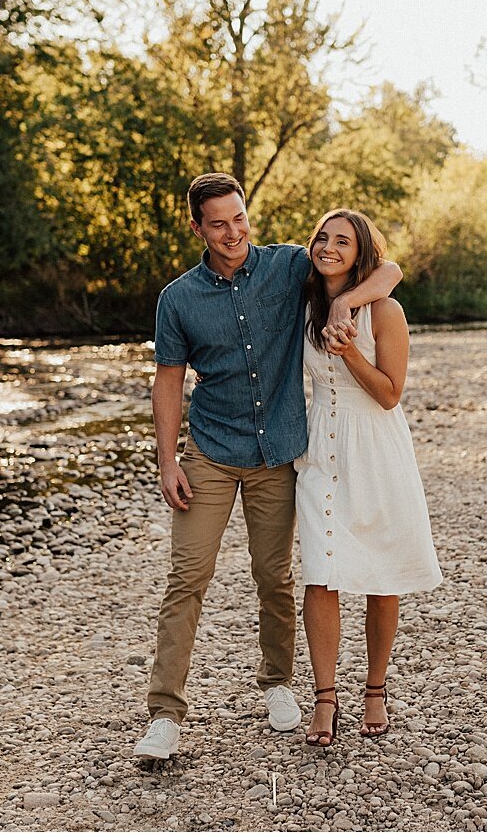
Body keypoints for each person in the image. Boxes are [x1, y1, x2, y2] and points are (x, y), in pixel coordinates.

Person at [133, 174, 403, 761]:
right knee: (187, 579)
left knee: (275, 576)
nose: (233, 233)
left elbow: (387, 270)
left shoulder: (288, 267)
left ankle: (278, 682)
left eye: (239, 218)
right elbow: (169, 381)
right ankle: (165, 715)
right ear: (198, 228)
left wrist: (344, 300)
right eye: (219, 223)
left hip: (279, 450)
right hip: (209, 450)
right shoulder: (178, 299)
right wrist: (166, 460)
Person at [296, 209, 441, 747]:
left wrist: (349, 342)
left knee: (382, 573)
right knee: (320, 570)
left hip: (376, 449)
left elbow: (388, 394)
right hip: (320, 449)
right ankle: (325, 698)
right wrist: (333, 303)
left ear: (361, 254)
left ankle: (375, 689)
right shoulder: (302, 302)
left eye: (343, 242)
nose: (329, 248)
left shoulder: (387, 311)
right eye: (322, 238)